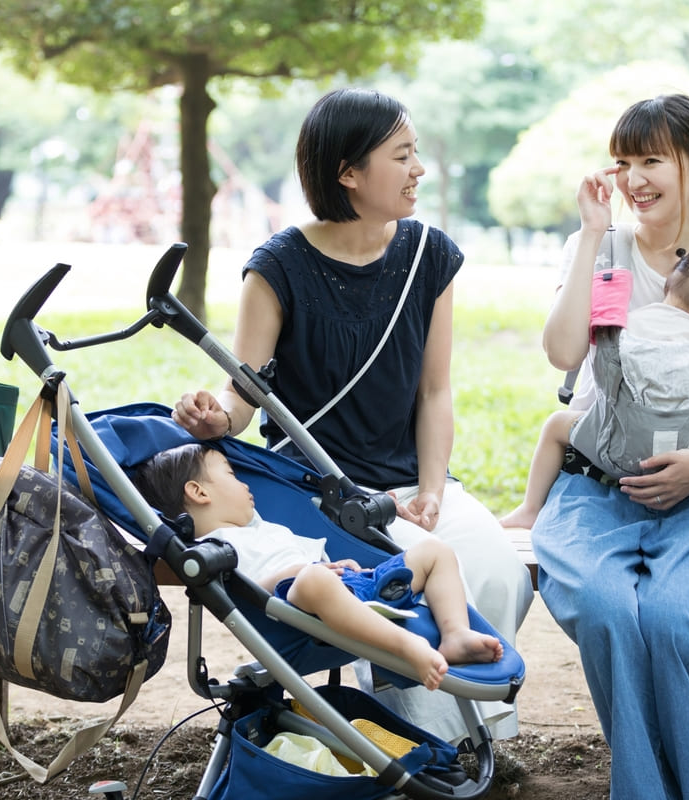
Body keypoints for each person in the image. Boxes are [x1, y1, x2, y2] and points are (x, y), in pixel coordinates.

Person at [172, 87, 534, 742]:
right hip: (319, 491)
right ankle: (424, 747)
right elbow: (241, 396)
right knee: (406, 587)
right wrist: (213, 418)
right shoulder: (278, 267)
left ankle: (460, 738)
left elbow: (434, 392)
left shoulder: (428, 254)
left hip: (409, 485)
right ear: (349, 173)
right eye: (402, 156)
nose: (419, 170)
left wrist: (431, 490)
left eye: (416, 154)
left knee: (498, 569)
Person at [532, 94, 689, 798]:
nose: (635, 179)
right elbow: (562, 354)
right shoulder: (600, 249)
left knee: (674, 617)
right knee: (608, 608)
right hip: (595, 490)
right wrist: (590, 235)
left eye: (652, 161)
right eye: (624, 162)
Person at [132, 443, 503, 690]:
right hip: (297, 608)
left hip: (347, 587)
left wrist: (338, 566)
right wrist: (306, 574)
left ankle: (455, 632)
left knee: (434, 551)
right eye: (231, 475)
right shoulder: (213, 549)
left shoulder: (261, 527)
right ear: (198, 492)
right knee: (311, 579)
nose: (244, 485)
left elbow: (314, 563)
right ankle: (407, 646)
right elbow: (251, 588)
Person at [501, 243, 689, 555]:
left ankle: (530, 508)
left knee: (556, 425)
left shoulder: (625, 326)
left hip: (616, 453)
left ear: (669, 285)